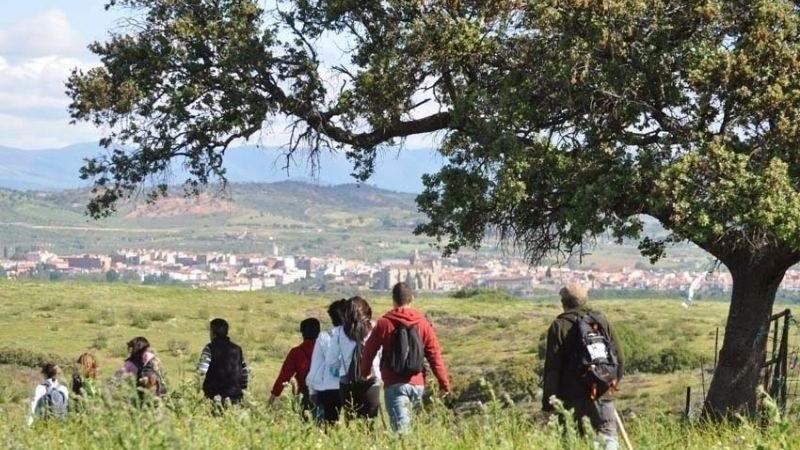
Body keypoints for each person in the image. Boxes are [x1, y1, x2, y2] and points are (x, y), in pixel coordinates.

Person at [542, 283, 625, 450]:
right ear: (585, 300)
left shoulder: (559, 326)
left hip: (571, 398)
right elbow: (620, 358)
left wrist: (549, 403)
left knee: (572, 442)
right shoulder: (600, 320)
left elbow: (553, 369)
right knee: (607, 438)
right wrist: (608, 384)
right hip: (601, 393)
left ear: (563, 302)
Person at [361, 282, 451, 433]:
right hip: (418, 384)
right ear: (412, 298)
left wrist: (365, 373)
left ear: (393, 300)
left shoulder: (384, 323)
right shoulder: (423, 324)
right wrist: (444, 384)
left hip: (394, 384)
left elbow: (368, 351)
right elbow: (435, 357)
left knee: (402, 433)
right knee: (415, 430)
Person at [328, 296, 382, 420]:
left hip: (347, 381)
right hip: (371, 380)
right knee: (369, 422)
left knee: (351, 421)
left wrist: (340, 370)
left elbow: (331, 360)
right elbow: (382, 353)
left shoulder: (339, 332)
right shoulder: (375, 328)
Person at [306, 299, 348, 424]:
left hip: (328, 387)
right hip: (349, 385)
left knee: (327, 426)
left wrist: (312, 390)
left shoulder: (324, 336)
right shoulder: (353, 336)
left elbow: (316, 365)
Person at [269, 318, 320, 416]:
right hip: (325, 396)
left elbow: (284, 376)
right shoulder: (326, 351)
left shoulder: (296, 352)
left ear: (302, 333)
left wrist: (272, 397)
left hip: (303, 397)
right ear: (318, 333)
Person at [197, 318, 250, 404]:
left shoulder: (210, 348)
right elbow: (244, 373)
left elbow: (201, 370)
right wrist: (242, 389)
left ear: (213, 333)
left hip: (213, 396)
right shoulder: (237, 349)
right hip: (235, 396)